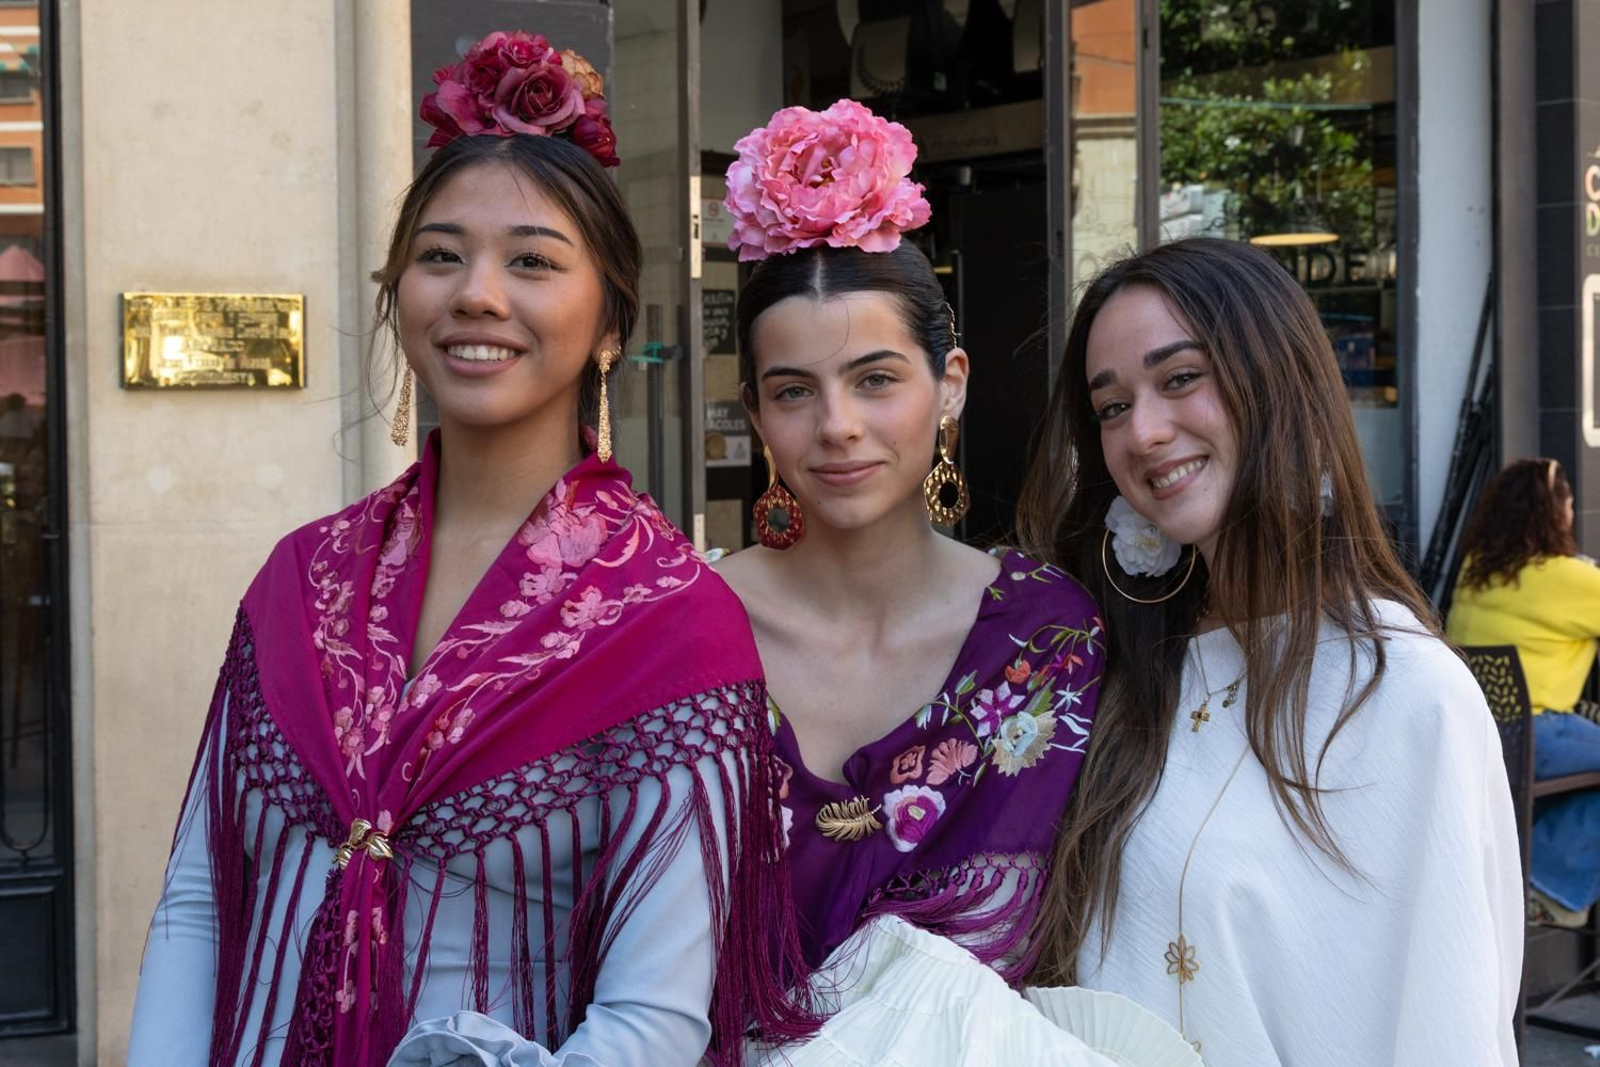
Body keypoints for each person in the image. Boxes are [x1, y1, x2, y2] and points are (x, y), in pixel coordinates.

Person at [128, 32, 810, 1067]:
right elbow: (199, 900)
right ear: (397, 290)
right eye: (441, 255)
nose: (477, 293)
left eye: (532, 261)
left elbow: (655, 1017)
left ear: (610, 321)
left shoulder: (672, 621)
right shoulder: (299, 578)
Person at [713, 101, 1194, 1066]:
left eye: (877, 378)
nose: (838, 425)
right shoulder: (688, 626)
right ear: (757, 416)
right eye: (794, 390)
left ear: (953, 384)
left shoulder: (1048, 639)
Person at [1016, 237, 1523, 1065]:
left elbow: (1452, 1023)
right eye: (1110, 406)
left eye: (1181, 377)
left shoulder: (1409, 694)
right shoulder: (1125, 667)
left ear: (1278, 381)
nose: (1143, 431)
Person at [1448, 456, 1600, 926]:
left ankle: (1535, 870)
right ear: (1556, 514)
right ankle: (1547, 885)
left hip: (1483, 737)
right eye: (1569, 506)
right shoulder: (1570, 578)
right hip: (1540, 737)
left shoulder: (1476, 570)